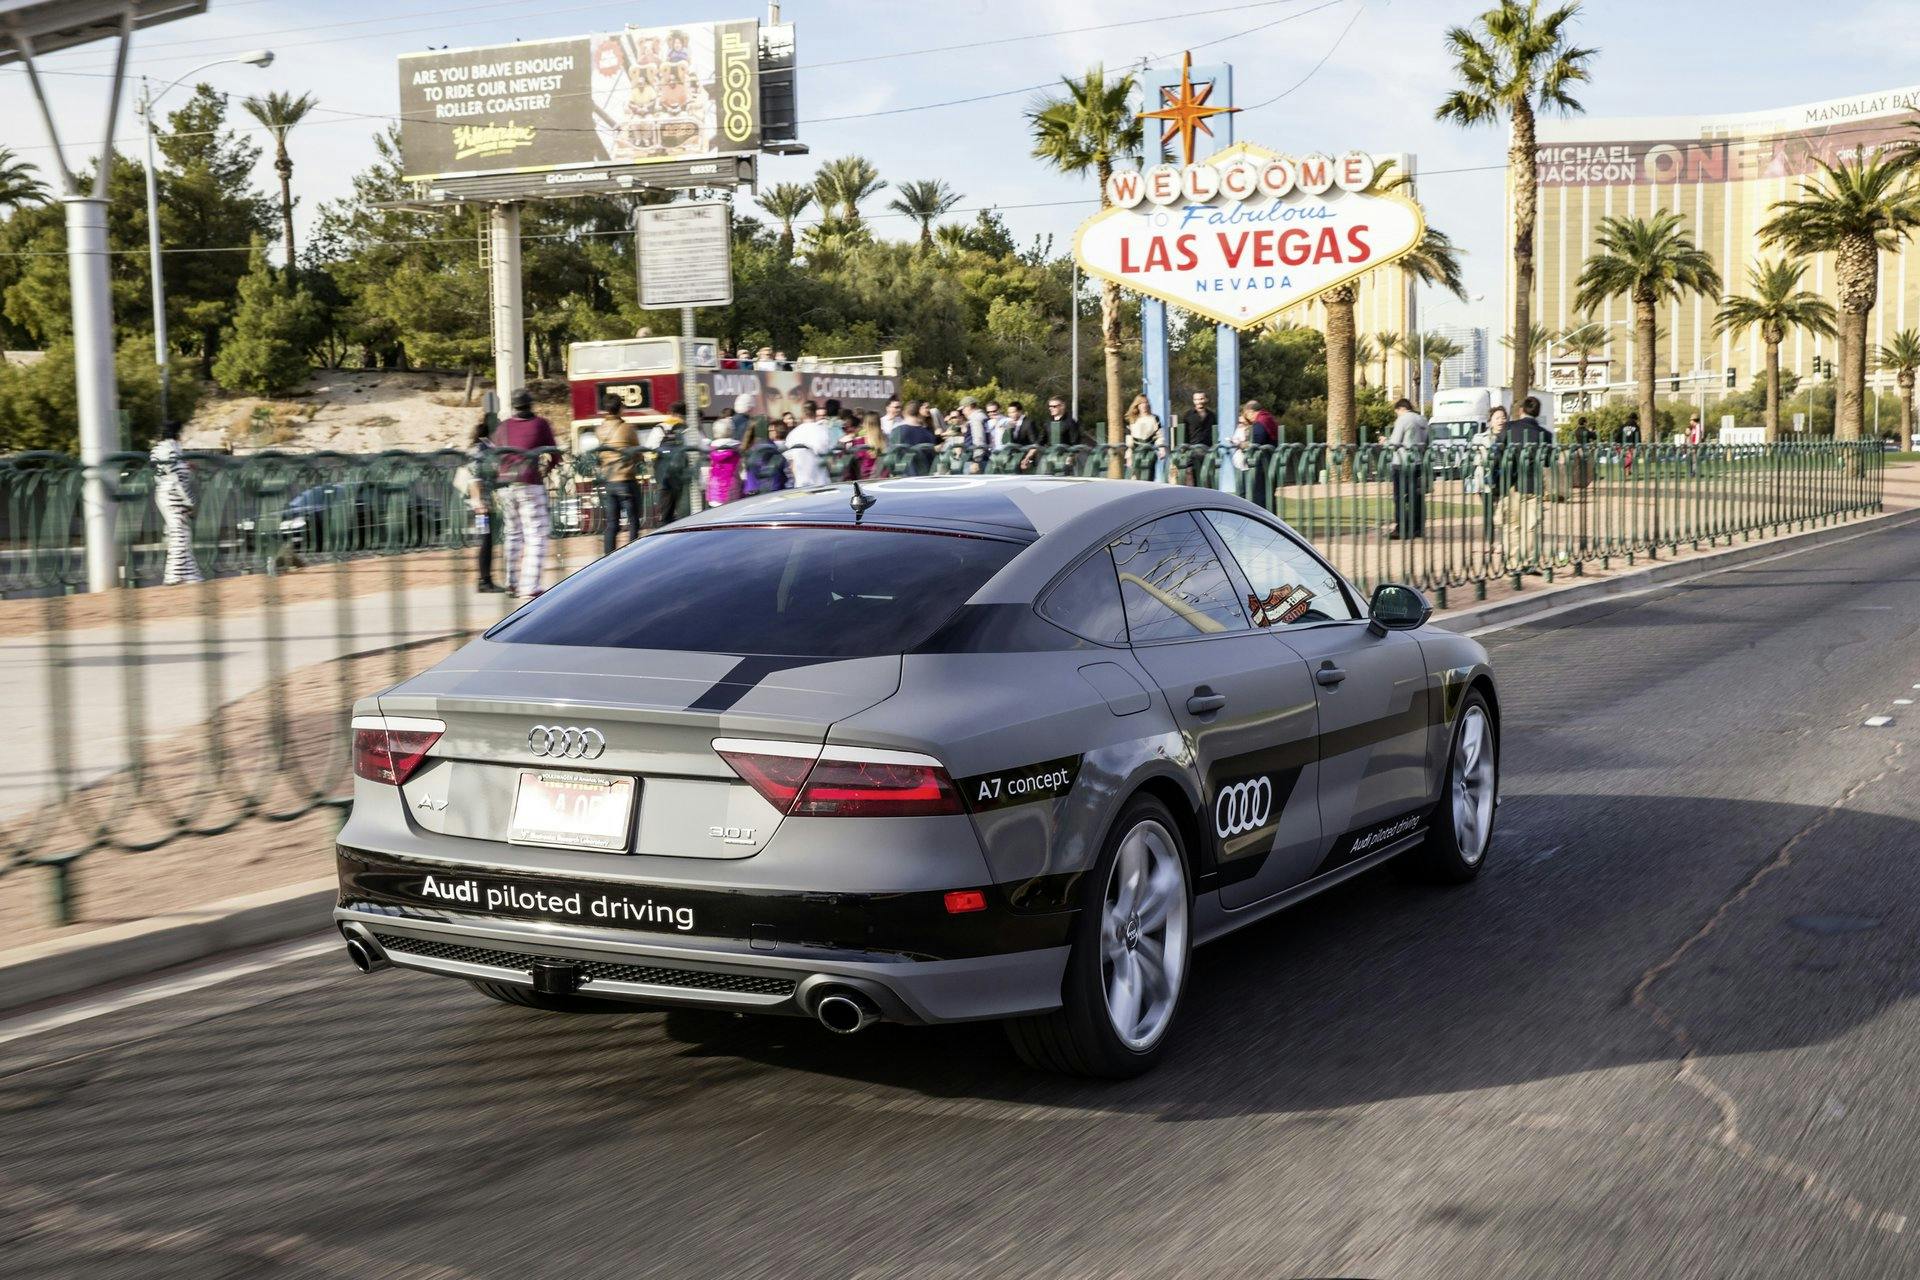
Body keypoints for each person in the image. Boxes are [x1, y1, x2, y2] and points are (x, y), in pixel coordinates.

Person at [495, 389, 557, 598]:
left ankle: (511, 582)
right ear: (531, 404)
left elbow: (494, 454)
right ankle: (530, 585)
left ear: (513, 406)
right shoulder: (540, 424)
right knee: (536, 534)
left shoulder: (503, 427)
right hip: (529, 482)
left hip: (505, 484)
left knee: (512, 533)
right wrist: (547, 469)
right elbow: (554, 454)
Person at [1493, 394, 1553, 559]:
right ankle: (1528, 560)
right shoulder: (1545, 434)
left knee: (1511, 524)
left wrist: (1495, 479)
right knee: (1531, 525)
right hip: (1533, 484)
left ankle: (1513, 561)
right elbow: (1548, 461)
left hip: (1511, 484)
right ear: (1537, 413)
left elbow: (1497, 455)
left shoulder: (1509, 428)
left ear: (1520, 411)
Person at [150, 420, 203, 586]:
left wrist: (186, 466)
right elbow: (176, 477)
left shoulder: (157, 449)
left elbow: (164, 472)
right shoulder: (173, 449)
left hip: (163, 492)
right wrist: (190, 502)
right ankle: (174, 576)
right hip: (174, 494)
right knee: (179, 535)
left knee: (181, 534)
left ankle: (188, 574)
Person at [596, 401, 641, 557]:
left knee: (612, 524)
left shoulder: (600, 429)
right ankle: (632, 556)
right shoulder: (628, 428)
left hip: (609, 481)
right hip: (626, 479)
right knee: (633, 521)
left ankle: (608, 558)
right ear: (620, 409)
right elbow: (637, 451)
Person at [465, 418, 502, 592]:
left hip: (484, 503)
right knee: (485, 541)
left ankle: (486, 579)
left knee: (487, 541)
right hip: (481, 505)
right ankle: (484, 581)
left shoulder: (485, 447)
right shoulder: (480, 449)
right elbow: (474, 478)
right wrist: (478, 502)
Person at [1386, 397, 1430, 539]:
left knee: (1400, 497)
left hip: (1402, 462)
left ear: (1401, 409)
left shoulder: (1403, 419)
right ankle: (1417, 528)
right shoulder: (1422, 420)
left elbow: (1395, 442)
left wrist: (1385, 442)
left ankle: (1401, 528)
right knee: (1416, 496)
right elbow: (1426, 441)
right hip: (1417, 461)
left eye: (1396, 412)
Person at [784, 396, 836, 487]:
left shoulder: (793, 434)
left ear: (803, 413)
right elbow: (830, 460)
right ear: (815, 412)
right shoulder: (824, 431)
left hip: (801, 485)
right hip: (822, 483)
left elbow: (791, 464)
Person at [1180, 390, 1217, 484]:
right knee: (1191, 476)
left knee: (1207, 477)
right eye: (1196, 399)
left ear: (1206, 399)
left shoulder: (1212, 415)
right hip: (1192, 450)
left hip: (1207, 450)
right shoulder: (1188, 415)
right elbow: (1184, 433)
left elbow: (1215, 432)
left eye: (1201, 399)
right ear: (1193, 401)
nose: (1199, 401)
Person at [1125, 394, 1162, 478]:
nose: (1144, 405)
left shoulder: (1154, 418)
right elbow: (1129, 441)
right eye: (1141, 403)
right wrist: (1128, 457)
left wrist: (1161, 448)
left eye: (1146, 403)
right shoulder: (1131, 420)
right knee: (1136, 478)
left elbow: (1159, 436)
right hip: (1136, 453)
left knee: (1149, 477)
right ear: (1137, 405)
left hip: (1150, 452)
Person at [1616, 411, 1642, 476]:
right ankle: (1624, 466)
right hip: (1632, 445)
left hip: (1622, 445)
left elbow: (1618, 435)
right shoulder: (1636, 427)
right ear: (1635, 419)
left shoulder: (1623, 426)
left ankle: (1627, 472)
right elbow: (1638, 437)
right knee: (1631, 458)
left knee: (1627, 458)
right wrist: (1638, 445)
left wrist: (1617, 443)